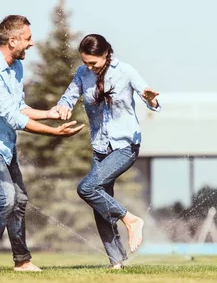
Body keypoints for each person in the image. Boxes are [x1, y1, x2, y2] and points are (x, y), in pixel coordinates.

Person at [0, 15, 84, 274]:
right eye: (27, 39)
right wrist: (54, 133)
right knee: (6, 199)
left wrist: (50, 113)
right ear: (13, 40)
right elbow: (13, 117)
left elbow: (20, 108)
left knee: (19, 200)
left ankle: (22, 261)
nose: (31, 43)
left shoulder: (16, 67)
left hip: (3, 143)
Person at [56, 33, 160, 269]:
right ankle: (117, 261)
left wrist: (151, 100)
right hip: (100, 147)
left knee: (87, 187)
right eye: (85, 63)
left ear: (105, 54)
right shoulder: (83, 74)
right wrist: (63, 106)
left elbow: (149, 96)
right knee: (99, 201)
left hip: (125, 146)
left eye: (93, 62)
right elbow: (69, 95)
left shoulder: (125, 71)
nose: (89, 67)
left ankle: (131, 220)